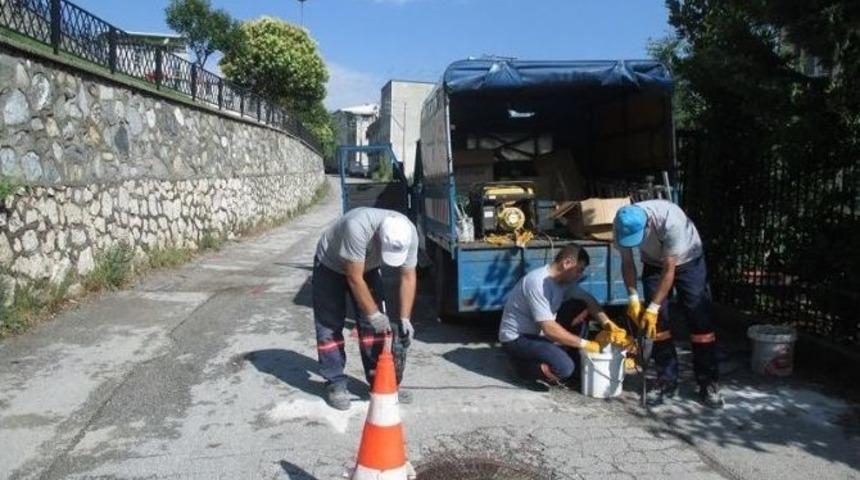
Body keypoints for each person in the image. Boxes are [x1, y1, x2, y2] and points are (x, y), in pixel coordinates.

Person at [613, 199, 723, 408]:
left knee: (700, 322)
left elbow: (669, 270)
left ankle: (708, 382)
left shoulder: (671, 221)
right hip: (653, 264)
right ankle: (666, 379)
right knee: (657, 326)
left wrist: (653, 308)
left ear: (649, 225)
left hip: (688, 261)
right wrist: (633, 299)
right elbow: (627, 263)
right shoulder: (621, 222)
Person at [313, 207, 418, 410]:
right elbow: (353, 277)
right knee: (329, 324)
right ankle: (335, 382)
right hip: (330, 264)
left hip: (367, 266)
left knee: (374, 331)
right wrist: (373, 313)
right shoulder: (358, 227)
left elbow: (408, 276)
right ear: (378, 236)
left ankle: (380, 381)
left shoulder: (409, 232)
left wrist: (405, 318)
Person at [499, 244, 628, 388]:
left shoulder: (563, 282)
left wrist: (608, 324)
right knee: (564, 368)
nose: (580, 275)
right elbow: (549, 329)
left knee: (581, 305)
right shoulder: (538, 282)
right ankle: (521, 368)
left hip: (538, 333)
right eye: (579, 270)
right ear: (567, 263)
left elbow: (588, 300)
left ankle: (573, 357)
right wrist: (586, 344)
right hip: (518, 338)